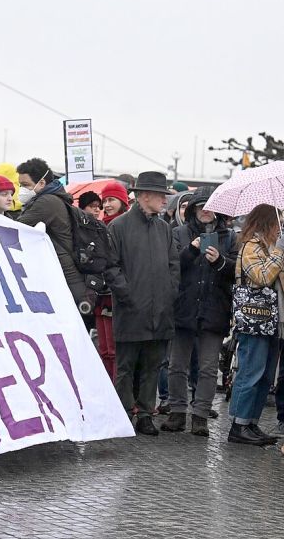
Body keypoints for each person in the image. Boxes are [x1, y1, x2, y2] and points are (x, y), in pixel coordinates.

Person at [104, 171, 179, 436]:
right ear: (145, 196)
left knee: (152, 365)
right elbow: (111, 267)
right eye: (161, 196)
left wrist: (170, 292)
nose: (165, 202)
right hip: (131, 310)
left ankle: (145, 414)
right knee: (125, 367)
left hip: (160, 311)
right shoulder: (119, 227)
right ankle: (123, 412)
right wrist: (128, 295)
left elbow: (173, 264)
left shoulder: (163, 228)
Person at [160, 187, 236, 436]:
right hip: (183, 307)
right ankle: (177, 412)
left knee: (207, 368)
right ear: (192, 208)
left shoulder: (230, 237)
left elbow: (238, 271)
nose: (205, 211)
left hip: (214, 309)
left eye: (210, 206)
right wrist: (192, 250)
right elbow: (170, 267)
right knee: (176, 365)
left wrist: (220, 261)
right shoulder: (179, 233)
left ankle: (201, 415)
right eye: (201, 206)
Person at [227, 204, 284, 445]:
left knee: (264, 375)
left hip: (270, 320)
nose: (280, 228)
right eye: (278, 222)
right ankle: (239, 425)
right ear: (268, 223)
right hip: (254, 319)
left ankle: (251, 422)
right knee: (251, 371)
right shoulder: (251, 246)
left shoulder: (269, 246)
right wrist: (278, 253)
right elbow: (261, 276)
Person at [16, 158, 88, 313]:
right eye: (20, 185)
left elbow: (16, 228)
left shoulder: (46, 202)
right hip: (68, 273)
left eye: (26, 185)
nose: (21, 190)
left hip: (66, 275)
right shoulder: (55, 198)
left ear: (41, 183)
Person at [94, 181, 130, 383]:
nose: (106, 204)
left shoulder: (123, 226)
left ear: (122, 202)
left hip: (116, 293)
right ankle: (107, 388)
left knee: (116, 350)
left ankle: (119, 392)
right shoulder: (100, 226)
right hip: (100, 294)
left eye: (111, 200)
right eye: (104, 200)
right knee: (104, 349)